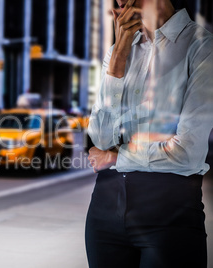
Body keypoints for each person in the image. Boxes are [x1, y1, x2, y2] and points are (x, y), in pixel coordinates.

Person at [86, 0, 213, 267]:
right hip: (104, 213)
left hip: (170, 215)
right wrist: (119, 54)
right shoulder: (117, 52)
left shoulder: (201, 45)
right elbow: (99, 139)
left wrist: (113, 158)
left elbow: (186, 153)